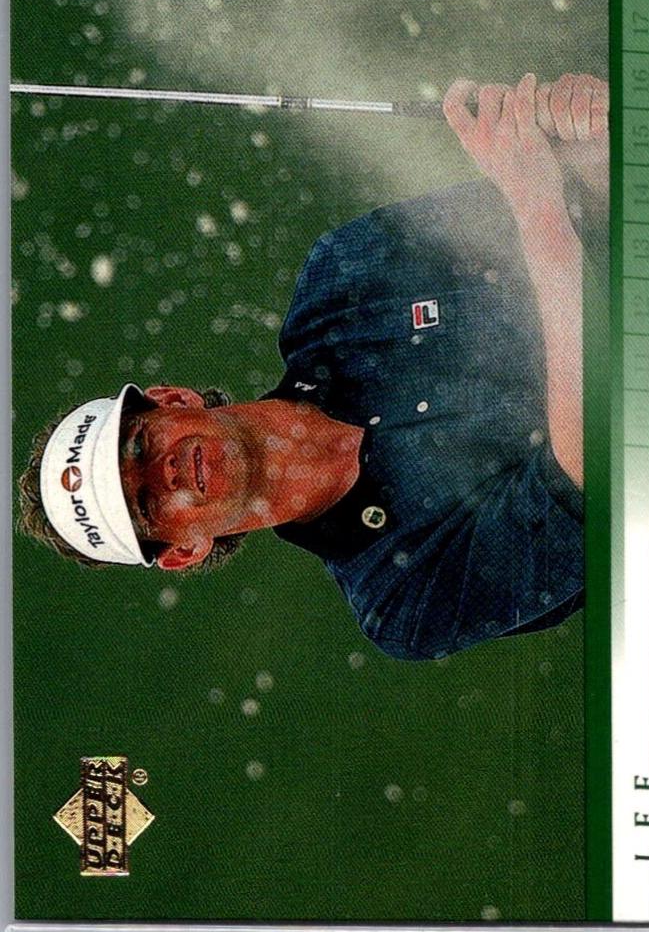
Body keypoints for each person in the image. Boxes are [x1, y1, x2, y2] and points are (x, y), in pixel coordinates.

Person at [19, 72, 608, 660]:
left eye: (140, 447)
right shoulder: (397, 599)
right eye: (146, 504)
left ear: (173, 400)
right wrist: (542, 211)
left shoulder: (339, 278)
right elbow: (595, 472)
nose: (164, 473)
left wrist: (588, 131)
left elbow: (583, 193)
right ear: (184, 551)